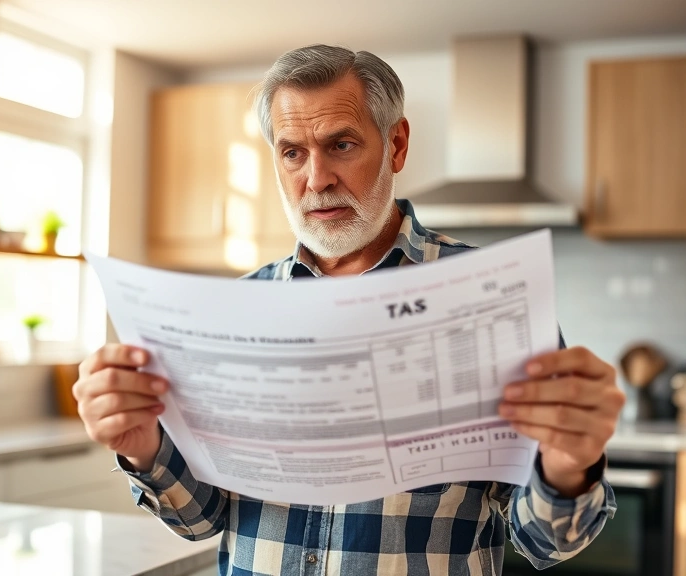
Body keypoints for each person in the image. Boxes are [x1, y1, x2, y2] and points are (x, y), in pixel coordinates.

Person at [74, 45, 624, 575]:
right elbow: (202, 519)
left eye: (341, 145)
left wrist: (568, 466)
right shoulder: (235, 311)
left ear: (397, 145)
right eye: (293, 152)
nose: (316, 179)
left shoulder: (492, 298)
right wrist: (143, 448)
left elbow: (544, 543)